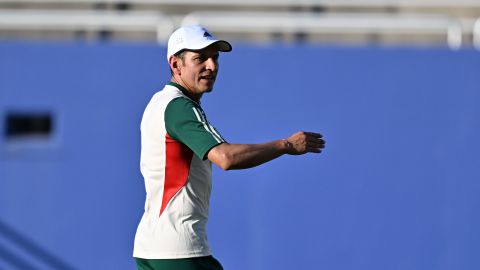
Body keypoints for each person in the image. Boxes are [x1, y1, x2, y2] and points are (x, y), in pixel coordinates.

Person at [133, 25, 325, 270]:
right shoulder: (180, 106)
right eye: (200, 58)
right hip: (179, 249)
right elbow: (225, 157)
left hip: (150, 248)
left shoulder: (158, 102)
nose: (211, 66)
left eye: (215, 58)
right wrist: (285, 145)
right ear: (175, 64)